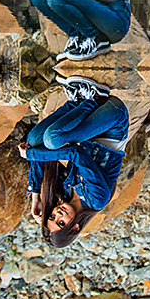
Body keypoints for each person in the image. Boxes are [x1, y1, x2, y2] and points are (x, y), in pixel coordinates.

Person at [20, 76, 129, 247]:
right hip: (113, 120)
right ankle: (95, 98)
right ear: (75, 227)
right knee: (52, 140)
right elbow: (75, 152)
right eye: (61, 223)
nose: (58, 214)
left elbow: (43, 163)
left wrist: (36, 195)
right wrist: (31, 156)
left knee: (34, 140)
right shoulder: (96, 200)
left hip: (90, 131)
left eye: (52, 217)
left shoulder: (65, 193)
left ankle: (78, 100)